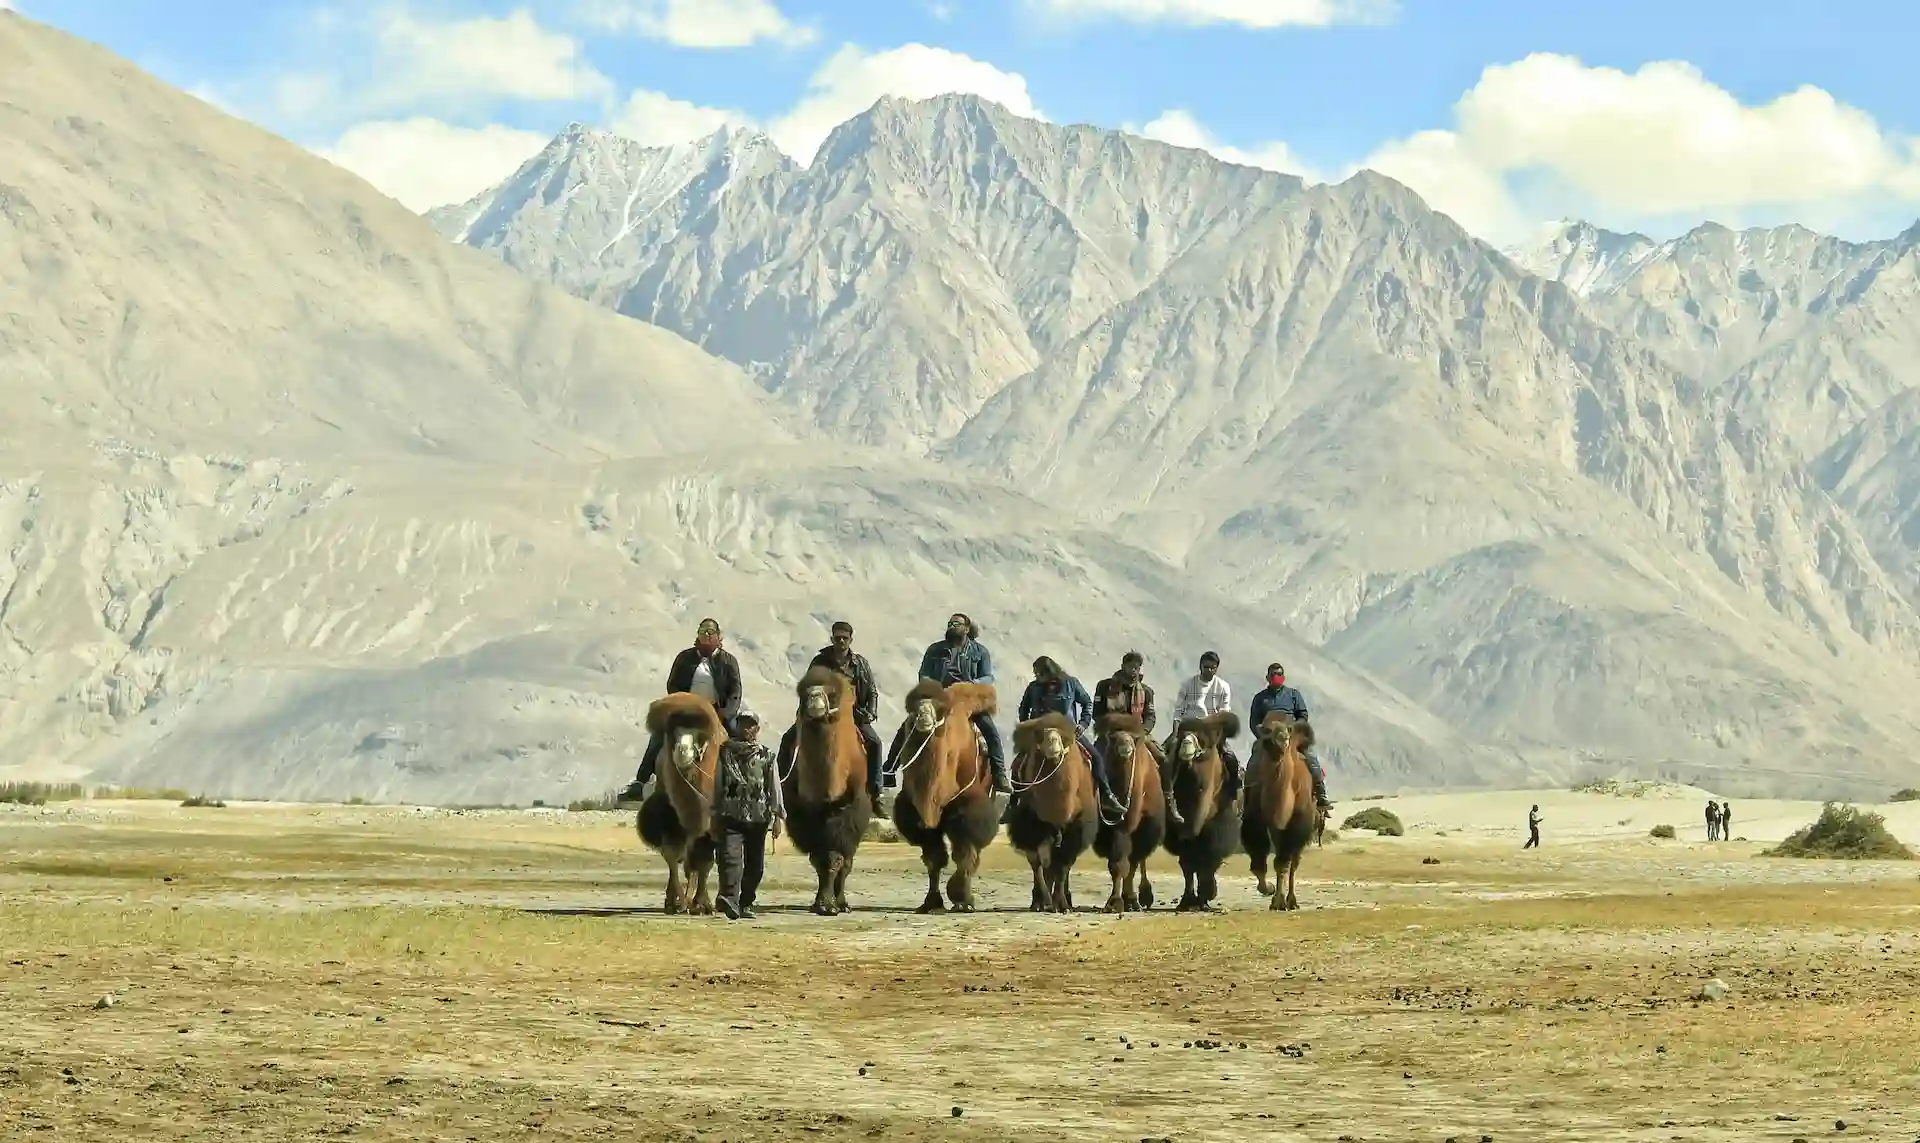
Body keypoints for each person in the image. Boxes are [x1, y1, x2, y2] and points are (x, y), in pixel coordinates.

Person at [619, 618, 744, 804]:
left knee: (736, 739)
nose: (707, 636)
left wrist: (725, 713)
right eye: (703, 632)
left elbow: (735, 691)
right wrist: (680, 702)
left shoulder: (728, 661)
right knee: (659, 736)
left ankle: (740, 785)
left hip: (717, 711)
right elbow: (673, 684)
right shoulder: (685, 658)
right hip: (686, 709)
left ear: (718, 637)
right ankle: (640, 782)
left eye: (711, 633)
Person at [885, 613, 1009, 794]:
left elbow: (988, 676)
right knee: (909, 725)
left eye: (956, 624)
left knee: (990, 730)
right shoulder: (935, 650)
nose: (952, 626)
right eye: (950, 623)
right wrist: (932, 687)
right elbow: (924, 673)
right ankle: (889, 769)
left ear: (966, 629)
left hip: (968, 700)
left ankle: (999, 774)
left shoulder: (980, 652)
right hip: (939, 699)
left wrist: (972, 685)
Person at [778, 620, 884, 804]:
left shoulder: (860, 664)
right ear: (831, 639)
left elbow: (872, 691)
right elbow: (807, 687)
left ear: (851, 640)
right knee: (788, 739)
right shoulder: (820, 662)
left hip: (853, 715)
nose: (841, 641)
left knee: (875, 743)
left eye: (845, 638)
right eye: (837, 638)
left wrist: (871, 711)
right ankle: (779, 789)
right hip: (820, 714)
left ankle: (876, 793)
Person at [1017, 656, 1121, 816]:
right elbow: (1024, 709)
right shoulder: (1033, 688)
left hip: (1068, 732)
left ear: (1049, 672)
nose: (1037, 677)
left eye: (1039, 673)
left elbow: (1087, 703)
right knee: (1019, 762)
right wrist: (1028, 727)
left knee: (1095, 757)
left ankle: (1106, 795)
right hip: (1041, 734)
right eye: (1035, 673)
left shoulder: (1071, 683)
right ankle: (1015, 800)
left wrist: (1083, 724)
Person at [712, 710, 783, 920]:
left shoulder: (767, 756)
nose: (746, 728)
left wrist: (778, 816)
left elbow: (774, 786)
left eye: (751, 724)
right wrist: (712, 813)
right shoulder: (724, 753)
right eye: (742, 723)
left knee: (755, 867)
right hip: (730, 816)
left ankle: (746, 902)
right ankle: (729, 899)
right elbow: (716, 784)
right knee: (729, 859)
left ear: (757, 729)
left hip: (758, 819)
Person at [1092, 652, 1172, 819]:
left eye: (1137, 667)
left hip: (1137, 734)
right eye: (1130, 667)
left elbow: (1150, 717)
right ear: (1123, 666)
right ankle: (1092, 799)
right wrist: (1109, 725)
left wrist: (1143, 731)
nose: (1134, 670)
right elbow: (1097, 713)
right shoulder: (1104, 687)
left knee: (1163, 759)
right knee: (1092, 759)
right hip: (1111, 733)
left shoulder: (1147, 692)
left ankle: (1167, 803)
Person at [1165, 651, 1238, 823]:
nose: (1209, 670)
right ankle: (1167, 798)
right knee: (1165, 757)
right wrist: (1175, 733)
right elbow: (1178, 711)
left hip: (1211, 731)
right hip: (1188, 728)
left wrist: (1218, 733)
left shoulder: (1223, 687)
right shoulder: (1188, 685)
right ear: (1200, 666)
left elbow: (1224, 713)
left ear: (1217, 668)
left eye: (1213, 668)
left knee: (1231, 760)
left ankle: (1231, 797)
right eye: (1206, 667)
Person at [1248, 663, 1330, 815]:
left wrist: (1295, 729)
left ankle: (1321, 793)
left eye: (1279, 674)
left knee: (1310, 756)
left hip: (1291, 735)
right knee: (1254, 760)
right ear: (1267, 677)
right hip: (1269, 737)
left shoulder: (1293, 694)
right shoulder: (1260, 698)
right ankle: (1248, 798)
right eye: (1273, 674)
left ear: (1284, 677)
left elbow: (1303, 715)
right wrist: (1262, 735)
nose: (1276, 677)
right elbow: (1253, 722)